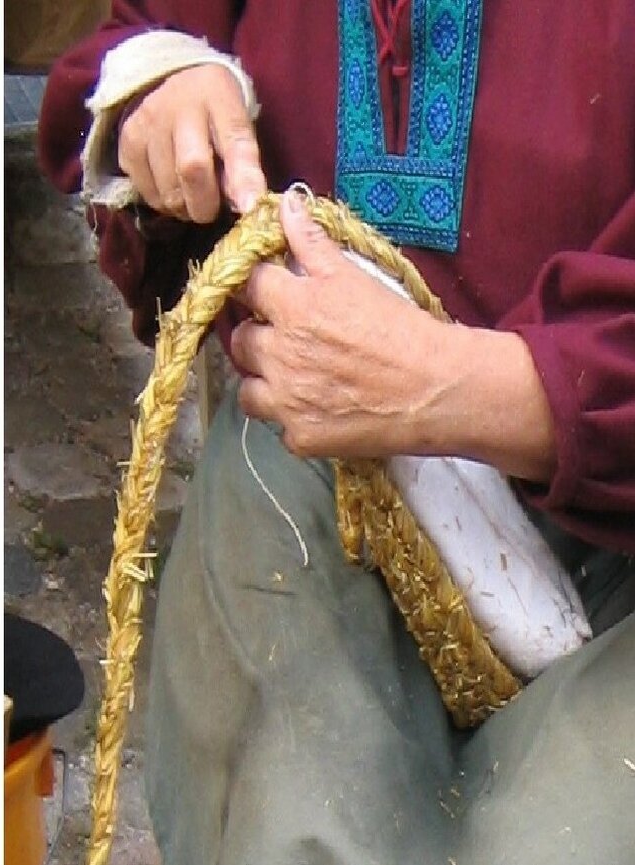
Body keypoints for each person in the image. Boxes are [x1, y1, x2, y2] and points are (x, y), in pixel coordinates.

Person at [38, 3, 635, 863]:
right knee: (283, 805)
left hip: (614, 536)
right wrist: (164, 89)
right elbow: (132, 38)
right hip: (310, 467)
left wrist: (455, 384)